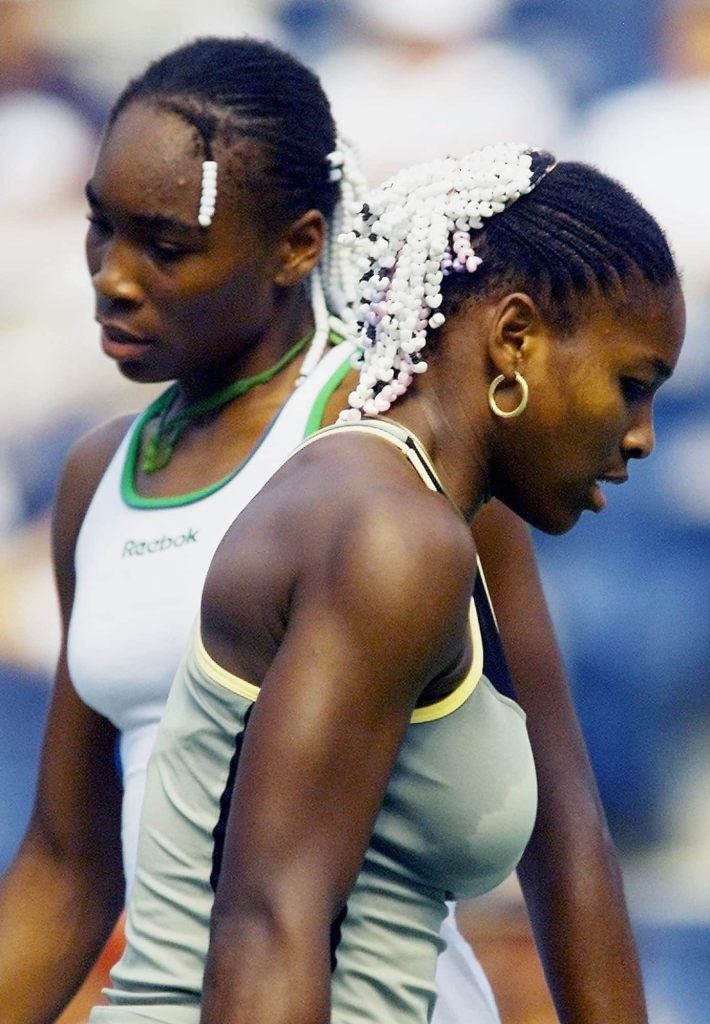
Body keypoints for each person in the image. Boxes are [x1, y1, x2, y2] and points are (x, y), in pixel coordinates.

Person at [0, 36, 653, 1024]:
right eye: (103, 230)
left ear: (299, 245)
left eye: (165, 243)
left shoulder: (401, 459)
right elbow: (65, 865)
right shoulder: (99, 474)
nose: (113, 277)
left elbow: (561, 833)